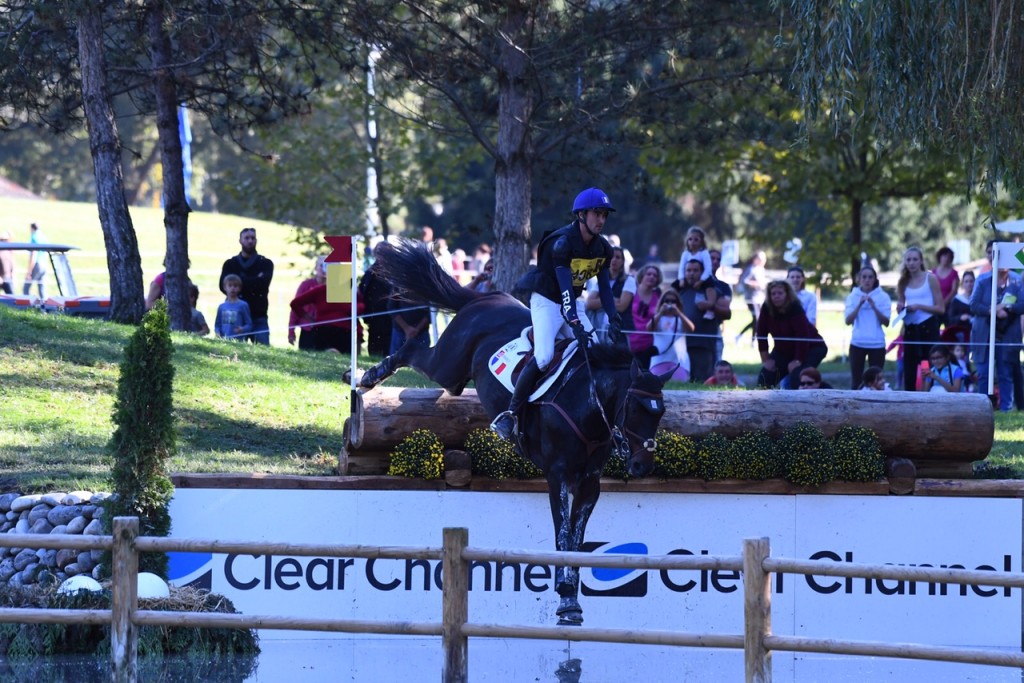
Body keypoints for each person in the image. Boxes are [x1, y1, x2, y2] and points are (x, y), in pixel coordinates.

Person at [491, 187, 622, 441]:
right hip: (547, 301)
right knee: (544, 357)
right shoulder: (562, 244)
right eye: (597, 214)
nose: (601, 220)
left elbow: (605, 289)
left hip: (572, 301)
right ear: (581, 215)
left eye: (605, 215)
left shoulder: (603, 249)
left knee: (593, 355)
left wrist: (614, 316)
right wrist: (573, 322)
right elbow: (564, 289)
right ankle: (511, 414)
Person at [970, 240, 1024, 410]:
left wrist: (1006, 308)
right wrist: (992, 310)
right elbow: (973, 305)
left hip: (1009, 333)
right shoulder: (983, 280)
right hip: (984, 333)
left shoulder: (1017, 281)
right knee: (984, 373)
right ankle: (981, 408)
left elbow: (1022, 304)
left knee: (1006, 374)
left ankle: (1006, 410)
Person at [756, 279, 828, 389]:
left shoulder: (795, 307)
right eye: (773, 293)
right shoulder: (766, 308)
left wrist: (797, 360)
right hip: (783, 350)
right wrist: (766, 360)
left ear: (787, 294)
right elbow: (761, 334)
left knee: (797, 375)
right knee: (766, 375)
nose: (776, 296)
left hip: (811, 347)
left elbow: (803, 336)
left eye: (780, 293)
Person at [896, 246, 944, 392]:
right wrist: (900, 308)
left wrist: (919, 306)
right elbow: (901, 303)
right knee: (909, 366)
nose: (911, 263)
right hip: (910, 328)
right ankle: (909, 399)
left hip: (928, 327)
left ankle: (929, 394)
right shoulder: (903, 282)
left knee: (928, 364)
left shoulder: (930, 278)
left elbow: (940, 308)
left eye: (915, 259)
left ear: (921, 261)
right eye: (908, 260)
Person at [219, 227, 273, 344]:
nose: (250, 241)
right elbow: (222, 286)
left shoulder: (266, 263)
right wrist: (255, 280)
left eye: (252, 238)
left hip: (258, 315)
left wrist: (239, 280)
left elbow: (263, 284)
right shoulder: (230, 264)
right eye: (246, 238)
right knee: (230, 349)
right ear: (240, 240)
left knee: (262, 353)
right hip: (234, 314)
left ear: (256, 240)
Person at [844, 266, 892, 389]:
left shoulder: (883, 296)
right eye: (864, 277)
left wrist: (873, 305)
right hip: (857, 342)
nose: (867, 280)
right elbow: (848, 321)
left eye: (870, 277)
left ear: (875, 279)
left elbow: (886, 322)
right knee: (856, 381)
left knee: (877, 381)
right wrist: (859, 304)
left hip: (877, 343)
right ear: (859, 279)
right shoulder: (852, 296)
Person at [289, 280, 365, 353]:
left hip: (341, 333)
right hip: (326, 332)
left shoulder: (350, 292)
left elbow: (362, 307)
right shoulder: (322, 290)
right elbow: (295, 304)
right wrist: (309, 319)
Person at [675, 258, 718, 383]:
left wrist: (711, 306)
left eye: (695, 270)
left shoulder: (710, 290)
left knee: (701, 382)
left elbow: (727, 313)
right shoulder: (678, 289)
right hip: (680, 344)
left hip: (702, 344)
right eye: (688, 270)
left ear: (702, 272)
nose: (691, 273)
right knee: (681, 383)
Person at [585, 246, 635, 343]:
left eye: (618, 257)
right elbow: (589, 303)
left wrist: (601, 301)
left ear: (623, 261)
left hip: (619, 331)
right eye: (611, 256)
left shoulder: (629, 280)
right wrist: (610, 300)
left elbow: (622, 306)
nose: (614, 260)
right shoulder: (601, 280)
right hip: (600, 328)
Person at [357, 241, 394, 358]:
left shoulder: (395, 272)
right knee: (375, 346)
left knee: (390, 345)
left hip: (393, 316)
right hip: (374, 316)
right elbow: (362, 290)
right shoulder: (370, 272)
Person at [648, 288, 694, 381]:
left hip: (679, 361)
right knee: (656, 386)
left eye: (673, 301)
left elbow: (691, 328)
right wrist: (660, 312)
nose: (670, 303)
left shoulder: (681, 318)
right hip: (659, 360)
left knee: (680, 389)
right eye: (667, 301)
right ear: (662, 302)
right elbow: (649, 329)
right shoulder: (658, 318)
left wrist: (678, 313)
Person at [627, 264, 663, 368]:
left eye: (655, 275)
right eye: (649, 274)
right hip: (629, 340)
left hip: (648, 344)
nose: (652, 277)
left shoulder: (659, 296)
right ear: (642, 276)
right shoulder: (631, 292)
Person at [288, 256, 327, 350]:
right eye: (321, 265)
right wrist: (291, 332)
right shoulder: (306, 285)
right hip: (308, 329)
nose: (324, 269)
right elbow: (295, 308)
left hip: (327, 330)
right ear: (316, 268)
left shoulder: (334, 287)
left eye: (327, 266)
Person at [735, 251, 767, 346]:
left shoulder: (761, 269)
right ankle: (749, 339)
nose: (763, 261)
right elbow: (744, 281)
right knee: (756, 318)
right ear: (755, 259)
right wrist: (755, 284)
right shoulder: (751, 269)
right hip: (751, 298)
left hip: (760, 297)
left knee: (757, 319)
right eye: (761, 259)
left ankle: (751, 340)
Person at [708, 248, 733, 364]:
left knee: (716, 363)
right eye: (712, 258)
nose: (715, 261)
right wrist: (717, 301)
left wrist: (709, 303)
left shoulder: (724, 286)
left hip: (715, 329)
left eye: (718, 259)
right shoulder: (694, 283)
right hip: (694, 332)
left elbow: (726, 311)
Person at [215, 273, 253, 341]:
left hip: (238, 341)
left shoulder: (243, 305)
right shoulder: (221, 307)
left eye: (235, 286)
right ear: (224, 287)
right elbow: (217, 324)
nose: (232, 288)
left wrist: (242, 329)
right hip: (224, 341)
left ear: (239, 288)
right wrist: (217, 333)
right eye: (230, 285)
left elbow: (249, 325)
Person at [942, 269, 974, 344]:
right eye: (966, 281)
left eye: (971, 281)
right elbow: (950, 319)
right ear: (962, 283)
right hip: (961, 335)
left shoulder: (977, 299)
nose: (969, 284)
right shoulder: (957, 300)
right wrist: (960, 318)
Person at [22, 222, 47, 299]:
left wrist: (29, 271)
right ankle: (45, 308)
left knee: (26, 287)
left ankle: (27, 306)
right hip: (44, 264)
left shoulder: (34, 237)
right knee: (42, 288)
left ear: (32, 228)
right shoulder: (43, 237)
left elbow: (34, 254)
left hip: (36, 264)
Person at [931, 246, 960, 311]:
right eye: (944, 256)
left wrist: (944, 304)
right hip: (934, 305)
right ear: (940, 257)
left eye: (948, 256)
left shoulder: (954, 273)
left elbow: (954, 291)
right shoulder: (933, 272)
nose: (946, 258)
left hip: (949, 306)